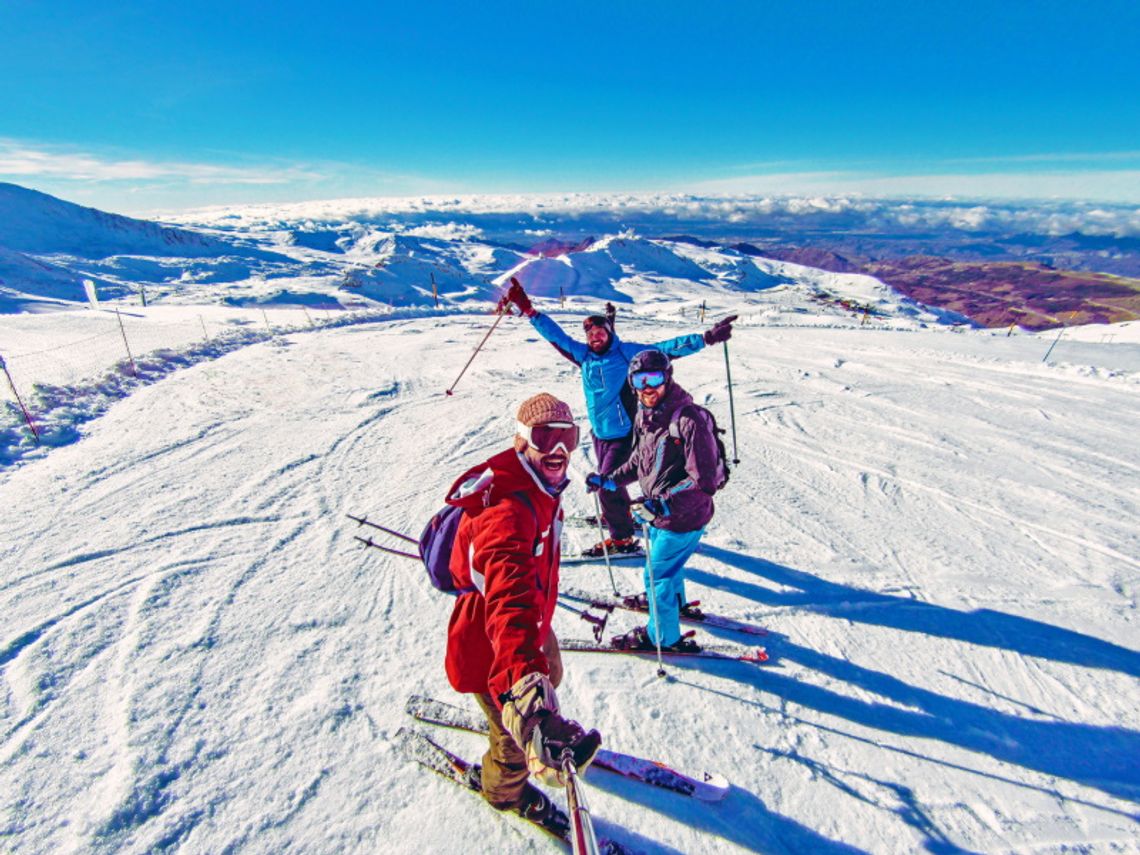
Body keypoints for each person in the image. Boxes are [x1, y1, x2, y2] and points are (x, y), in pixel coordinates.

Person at [441, 392, 602, 833]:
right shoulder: (508, 510)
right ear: (520, 440)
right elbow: (508, 600)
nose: (558, 451)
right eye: (544, 437)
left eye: (567, 438)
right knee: (513, 746)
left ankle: (533, 706)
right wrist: (526, 697)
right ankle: (502, 791)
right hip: (493, 647)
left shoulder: (538, 486)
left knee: (551, 669)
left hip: (532, 625)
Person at [500, 278, 735, 557]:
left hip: (624, 434)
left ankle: (622, 537)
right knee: (611, 482)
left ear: (610, 333)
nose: (595, 337)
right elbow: (557, 336)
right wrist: (529, 311)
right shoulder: (585, 356)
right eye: (591, 335)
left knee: (606, 485)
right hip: (600, 434)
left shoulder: (626, 354)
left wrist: (705, 339)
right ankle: (619, 515)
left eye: (601, 332)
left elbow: (667, 348)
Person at [586, 351, 722, 652]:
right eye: (639, 380)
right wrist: (609, 479)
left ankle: (663, 637)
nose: (647, 387)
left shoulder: (688, 419)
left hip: (683, 517)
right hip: (661, 514)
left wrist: (663, 504)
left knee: (655, 574)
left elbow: (705, 482)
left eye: (655, 378)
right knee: (667, 568)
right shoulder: (646, 415)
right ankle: (675, 603)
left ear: (668, 377)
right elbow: (639, 461)